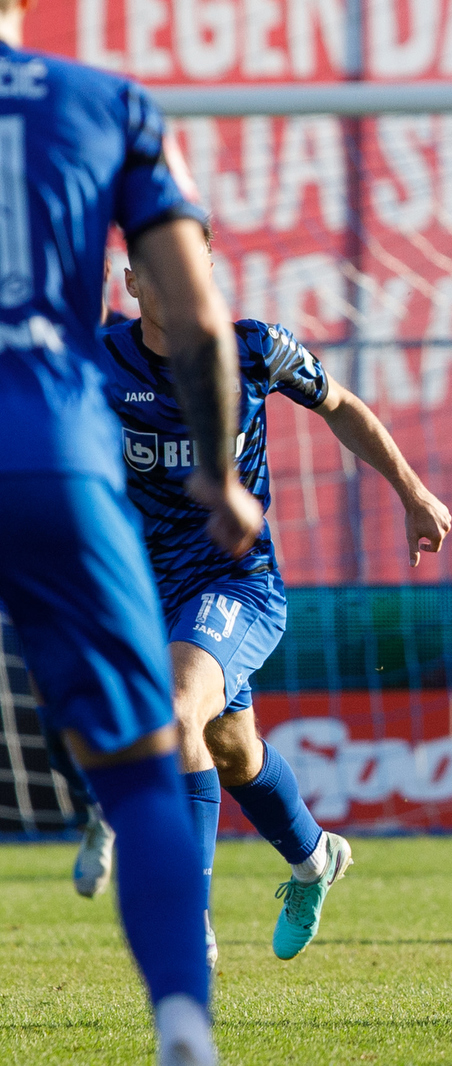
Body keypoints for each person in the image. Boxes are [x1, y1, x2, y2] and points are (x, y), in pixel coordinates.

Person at [1, 0, 261, 1060]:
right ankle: (182, 1024)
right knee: (148, 759)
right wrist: (218, 469)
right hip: (52, 450)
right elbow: (198, 316)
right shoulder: (105, 103)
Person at [101, 247, 452, 967]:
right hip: (146, 591)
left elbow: (343, 406)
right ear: (133, 281)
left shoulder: (255, 348)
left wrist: (413, 493)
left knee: (176, 713)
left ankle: (184, 918)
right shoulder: (100, 360)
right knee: (231, 751)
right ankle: (315, 858)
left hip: (237, 582)